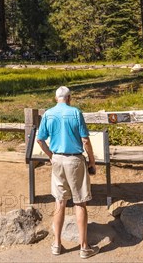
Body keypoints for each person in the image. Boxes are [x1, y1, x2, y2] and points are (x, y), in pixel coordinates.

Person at [36, 86, 99, 259]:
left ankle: (57, 244)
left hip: (57, 159)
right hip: (75, 160)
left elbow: (40, 139)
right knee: (80, 202)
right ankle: (84, 247)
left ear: (56, 98)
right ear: (69, 98)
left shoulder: (48, 114)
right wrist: (91, 162)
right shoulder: (76, 112)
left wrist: (51, 156)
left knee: (60, 202)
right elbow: (85, 140)